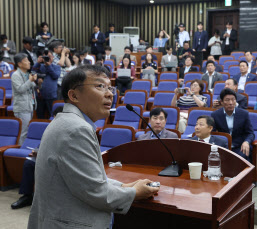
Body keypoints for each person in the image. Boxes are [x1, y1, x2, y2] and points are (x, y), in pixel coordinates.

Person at [27, 65, 159, 228]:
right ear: (74, 95)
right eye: (100, 86)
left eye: (110, 87)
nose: (110, 93)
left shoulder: (65, 121)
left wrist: (123, 186)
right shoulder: (76, 129)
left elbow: (86, 179)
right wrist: (135, 192)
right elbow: (96, 192)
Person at [10, 106, 63, 210]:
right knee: (29, 163)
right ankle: (27, 196)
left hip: (61, 160)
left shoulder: (73, 130)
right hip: (46, 156)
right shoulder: (51, 128)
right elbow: (42, 144)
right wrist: (35, 152)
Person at [211, 88, 254, 162]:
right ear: (221, 102)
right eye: (227, 100)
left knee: (240, 159)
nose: (231, 103)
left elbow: (250, 133)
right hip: (223, 147)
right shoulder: (215, 115)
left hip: (239, 146)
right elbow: (213, 133)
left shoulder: (244, 114)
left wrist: (246, 142)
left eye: (233, 99)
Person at [12, 53, 37, 145]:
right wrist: (30, 81)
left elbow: (31, 87)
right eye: (26, 60)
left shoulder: (27, 74)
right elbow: (20, 89)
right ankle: (19, 153)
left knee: (26, 132)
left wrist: (36, 82)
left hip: (29, 106)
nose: (29, 62)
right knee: (22, 133)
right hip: (22, 108)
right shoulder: (15, 75)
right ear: (19, 64)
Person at [32, 51, 61, 119]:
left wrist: (48, 66)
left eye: (49, 57)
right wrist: (38, 62)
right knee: (40, 116)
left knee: (52, 115)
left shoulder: (56, 67)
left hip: (51, 95)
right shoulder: (40, 66)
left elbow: (55, 76)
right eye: (46, 57)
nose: (48, 58)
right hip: (40, 95)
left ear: (53, 57)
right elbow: (32, 72)